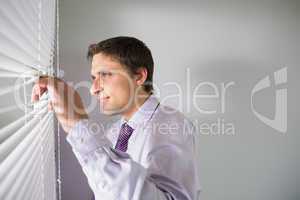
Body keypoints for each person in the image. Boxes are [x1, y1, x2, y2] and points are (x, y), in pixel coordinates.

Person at [31, 36, 201, 200]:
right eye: (93, 78)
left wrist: (77, 123)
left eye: (105, 75)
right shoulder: (114, 133)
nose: (93, 89)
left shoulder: (171, 125)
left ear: (139, 76)